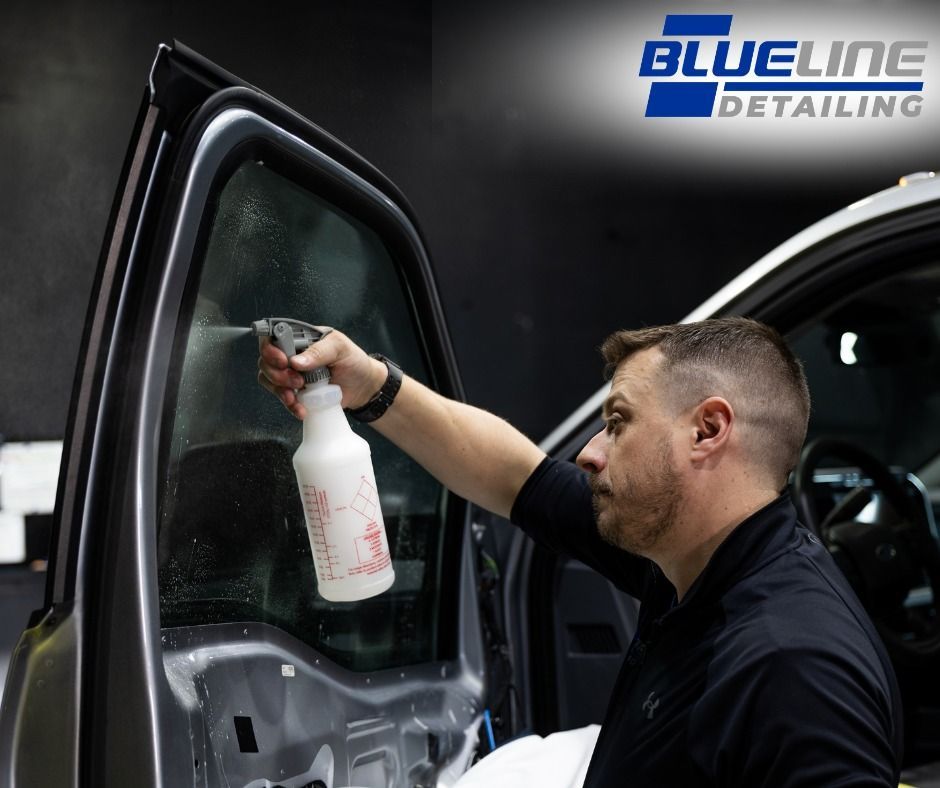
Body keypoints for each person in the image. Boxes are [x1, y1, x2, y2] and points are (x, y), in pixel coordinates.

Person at [258, 316, 903, 787]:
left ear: (707, 430)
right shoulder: (689, 558)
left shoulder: (790, 668)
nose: (590, 452)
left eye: (618, 423)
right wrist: (369, 384)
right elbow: (516, 477)